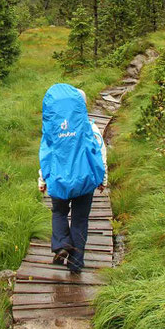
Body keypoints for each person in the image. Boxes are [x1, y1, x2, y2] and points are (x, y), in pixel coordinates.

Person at [37, 84, 108, 274]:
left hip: (59, 181)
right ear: (82, 105)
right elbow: (100, 152)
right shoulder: (90, 127)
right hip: (84, 180)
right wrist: (103, 179)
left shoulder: (52, 127)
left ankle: (61, 243)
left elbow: (46, 154)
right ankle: (76, 264)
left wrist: (42, 180)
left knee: (59, 213)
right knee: (80, 220)